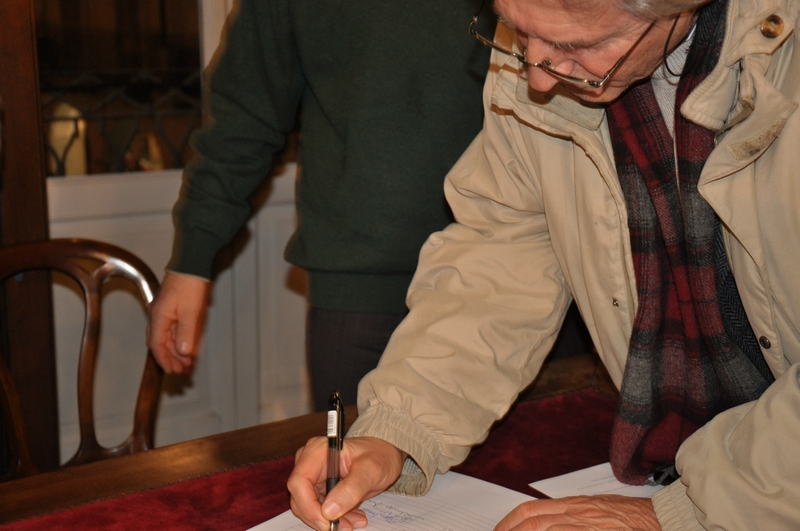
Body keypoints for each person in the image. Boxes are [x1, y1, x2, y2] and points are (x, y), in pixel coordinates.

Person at [287, 0, 800, 529]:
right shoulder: (542, 42)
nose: (536, 75)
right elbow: (505, 247)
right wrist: (399, 428)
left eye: (576, 46)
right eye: (513, 30)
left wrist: (688, 513)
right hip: (673, 460)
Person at [145, 1, 498, 410]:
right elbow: (243, 120)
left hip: (529, 277)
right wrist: (191, 259)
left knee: (546, 462)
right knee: (345, 466)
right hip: (362, 294)